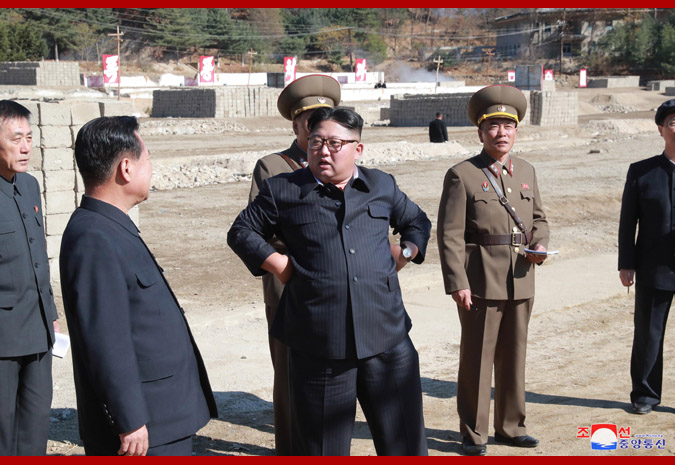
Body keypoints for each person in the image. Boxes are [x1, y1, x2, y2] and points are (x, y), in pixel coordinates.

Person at [229, 107, 431, 456]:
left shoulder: (381, 184)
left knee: (404, 444)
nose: (323, 150)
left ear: (358, 148)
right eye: (316, 142)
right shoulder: (284, 190)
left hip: (386, 338)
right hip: (320, 346)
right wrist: (279, 265)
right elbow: (241, 232)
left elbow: (416, 221)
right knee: (323, 450)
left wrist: (406, 253)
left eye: (335, 143)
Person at [59, 116, 218, 456]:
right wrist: (129, 420)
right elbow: (104, 340)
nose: (151, 168)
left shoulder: (110, 226)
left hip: (161, 416)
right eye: (148, 159)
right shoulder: (94, 237)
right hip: (143, 430)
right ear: (126, 168)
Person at [437, 85, 549, 456]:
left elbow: (539, 219)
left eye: (508, 126)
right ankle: (474, 432)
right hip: (481, 280)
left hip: (521, 277)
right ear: (480, 132)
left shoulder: (527, 170)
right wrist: (457, 282)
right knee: (477, 359)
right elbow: (450, 235)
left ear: (516, 130)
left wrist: (541, 244)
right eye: (493, 126)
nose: (501, 133)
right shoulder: (462, 175)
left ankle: (511, 426)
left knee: (515, 356)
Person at [248, 74, 341, 455]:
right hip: (290, 286)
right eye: (310, 120)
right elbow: (256, 232)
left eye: (325, 119)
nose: (317, 127)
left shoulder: (340, 162)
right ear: (296, 124)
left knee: (333, 371)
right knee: (289, 373)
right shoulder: (272, 167)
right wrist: (287, 266)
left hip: (335, 284)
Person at [0, 100, 59, 456]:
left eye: (29, 137)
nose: (25, 147)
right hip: (3, 340)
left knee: (36, 424)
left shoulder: (30, 186)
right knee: (3, 431)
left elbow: (37, 256)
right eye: (15, 138)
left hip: (38, 331)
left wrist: (49, 310)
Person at [618, 98, 675, 415]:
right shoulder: (642, 172)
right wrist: (626, 263)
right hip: (653, 266)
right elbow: (628, 222)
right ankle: (645, 394)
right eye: (672, 121)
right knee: (648, 333)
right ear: (661, 129)